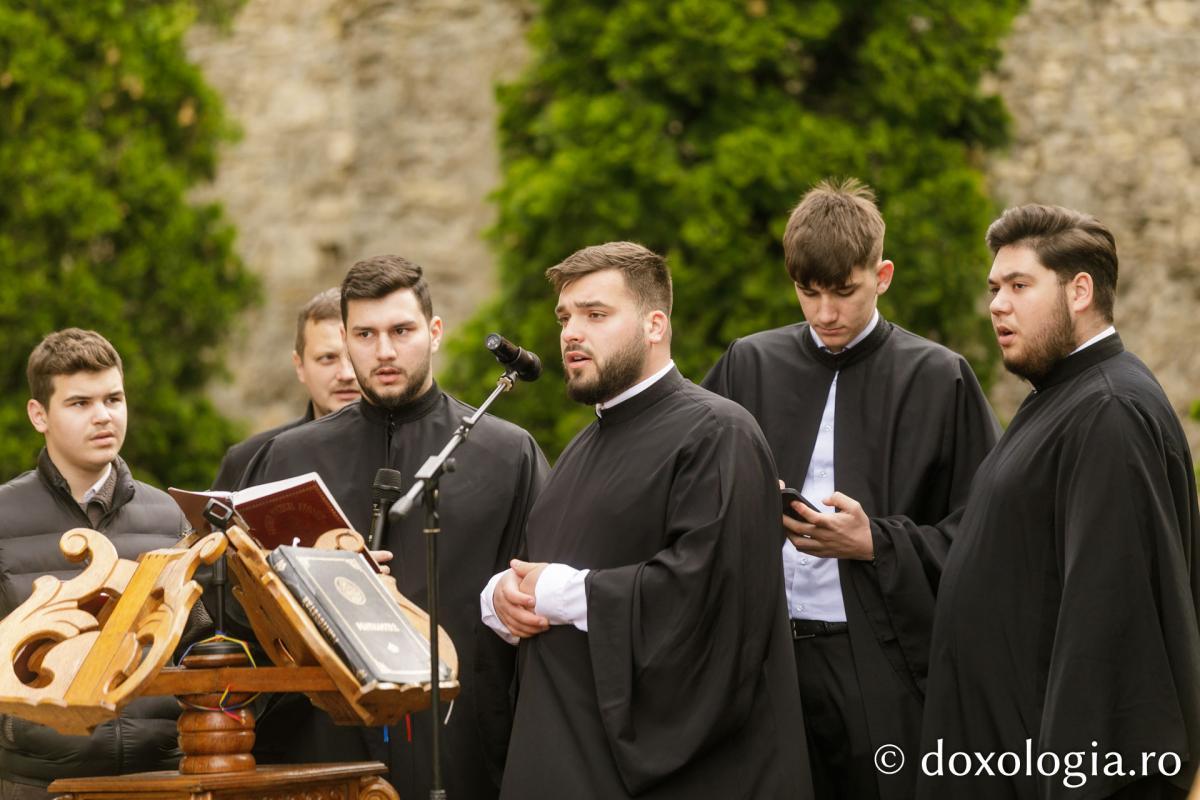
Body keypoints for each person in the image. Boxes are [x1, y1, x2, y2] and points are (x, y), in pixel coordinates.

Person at [701, 178, 999, 800]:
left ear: (882, 276)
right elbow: (688, 494)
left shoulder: (940, 378)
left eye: (844, 292)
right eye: (808, 292)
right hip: (762, 660)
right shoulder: (748, 363)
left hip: (881, 670)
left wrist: (875, 543)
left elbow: (985, 534)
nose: (825, 314)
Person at [483, 242, 810, 799]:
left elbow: (709, 597)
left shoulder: (717, 433)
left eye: (595, 314)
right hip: (568, 758)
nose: (571, 333)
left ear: (655, 325)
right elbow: (538, 572)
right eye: (565, 318)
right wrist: (502, 598)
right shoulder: (580, 449)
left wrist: (566, 593)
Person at [896, 204, 1200, 799]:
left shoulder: (1108, 412)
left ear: (1079, 291)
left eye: (1019, 286)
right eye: (994, 288)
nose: (996, 305)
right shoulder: (1065, 396)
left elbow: (1111, 628)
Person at [242, 255, 547, 800]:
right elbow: (245, 609)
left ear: (434, 332)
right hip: (321, 742)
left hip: (463, 743)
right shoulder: (288, 458)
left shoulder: (506, 454)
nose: (383, 351)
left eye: (401, 331)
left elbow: (540, 603)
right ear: (346, 339)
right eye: (365, 334)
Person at [0, 329, 191, 799]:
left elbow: (198, 646)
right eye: (80, 403)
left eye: (113, 399)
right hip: (36, 782)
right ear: (39, 415)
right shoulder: (3, 517)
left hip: (162, 778)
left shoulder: (171, 516)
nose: (103, 416)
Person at [211, 287, 360, 490]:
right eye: (328, 358)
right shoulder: (249, 460)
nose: (346, 374)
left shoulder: (400, 453)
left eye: (354, 357)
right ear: (300, 366)